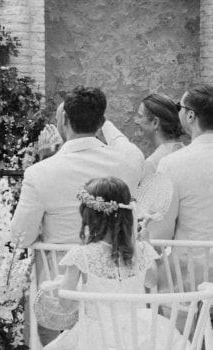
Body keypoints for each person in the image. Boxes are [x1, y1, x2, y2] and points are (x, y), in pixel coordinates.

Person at [41, 177, 162, 350]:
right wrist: (142, 243)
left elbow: (65, 302)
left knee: (59, 348)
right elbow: (151, 283)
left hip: (100, 339)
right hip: (141, 332)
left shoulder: (82, 255)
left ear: (90, 218)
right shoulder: (141, 251)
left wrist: (54, 287)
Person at [11, 86, 144, 247]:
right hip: (117, 268)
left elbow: (20, 238)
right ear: (101, 121)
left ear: (65, 119)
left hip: (59, 269)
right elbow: (120, 141)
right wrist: (102, 120)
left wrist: (46, 159)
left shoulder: (38, 173)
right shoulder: (130, 159)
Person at [150, 84, 213, 242]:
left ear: (191, 116)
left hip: (190, 264)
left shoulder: (171, 163)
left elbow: (160, 233)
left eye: (179, 107)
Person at [133, 93, 184, 236]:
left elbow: (149, 218)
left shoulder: (153, 164)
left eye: (140, 116)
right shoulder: (184, 152)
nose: (136, 121)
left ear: (155, 122)